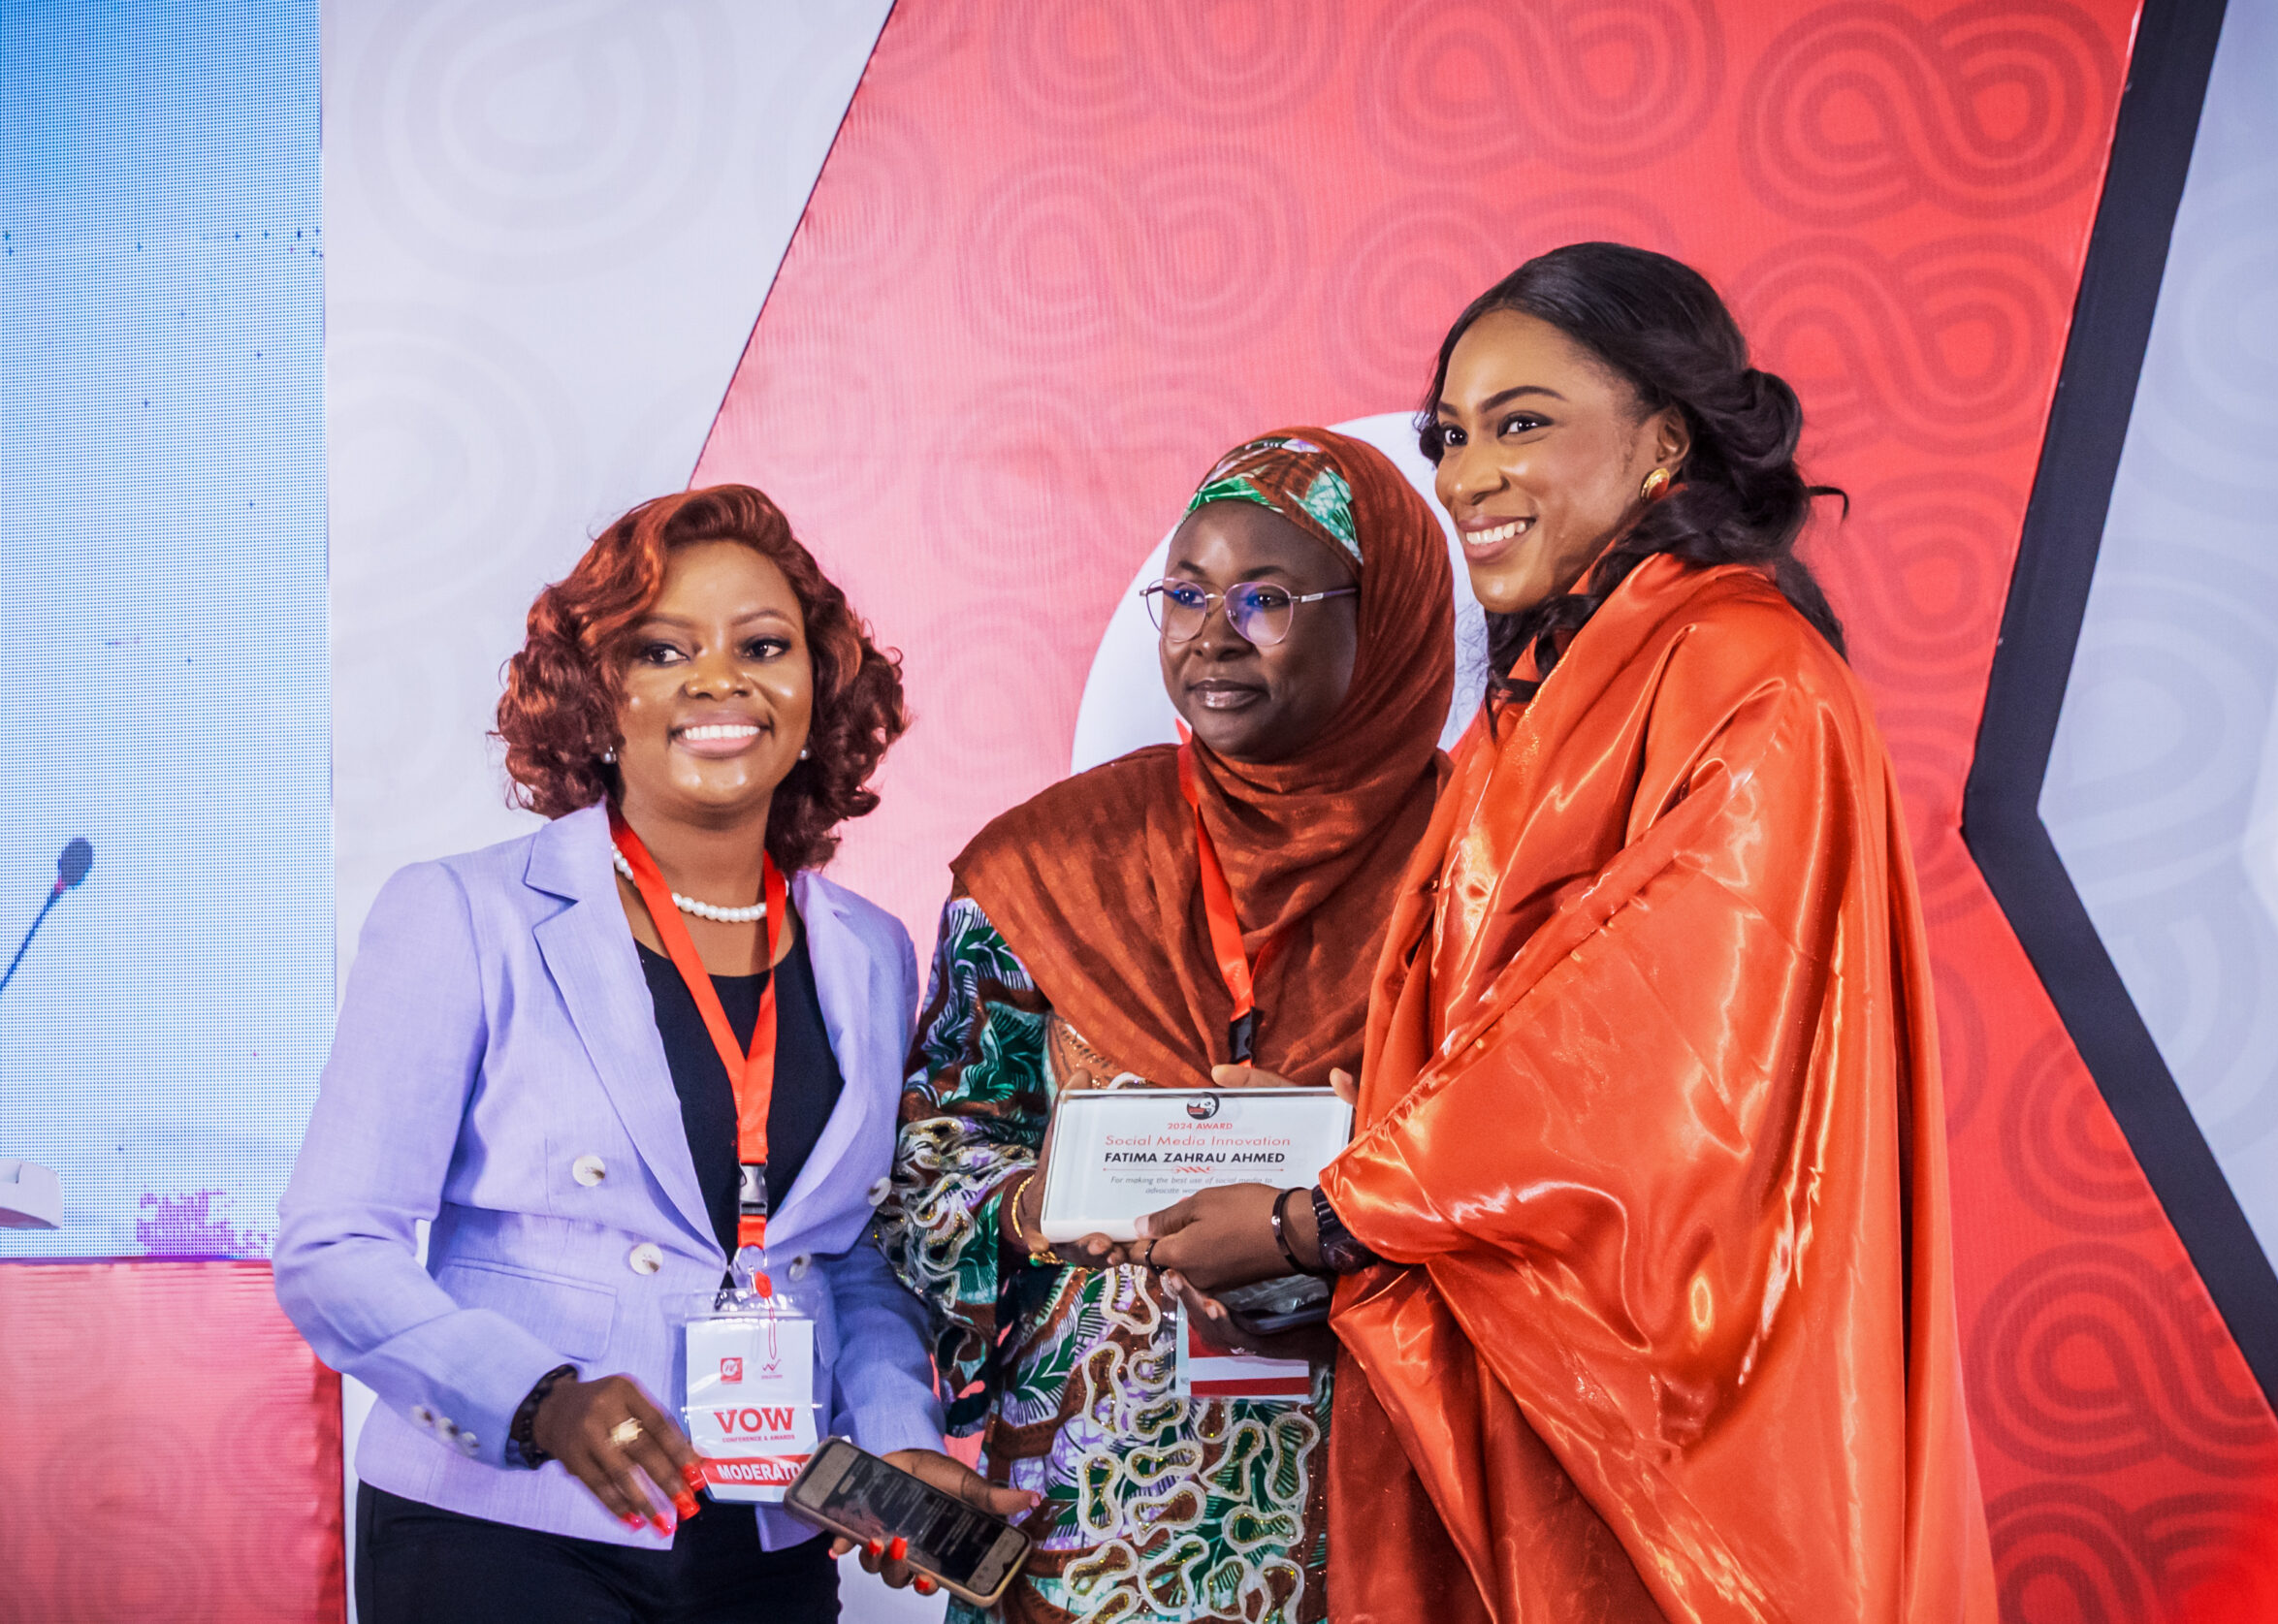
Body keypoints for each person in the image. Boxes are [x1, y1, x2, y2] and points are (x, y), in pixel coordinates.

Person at [1139, 244, 1999, 1622]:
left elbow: (1640, 1051)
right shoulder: (1551, 687)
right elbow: (1525, 1027)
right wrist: (1346, 1126)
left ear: (1666, 440)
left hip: (1685, 1416)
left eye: (1521, 422)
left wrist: (1319, 1214)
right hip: (1544, 1366)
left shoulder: (1743, 670)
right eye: (1450, 435)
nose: (1469, 474)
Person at [276, 485, 1032, 1623]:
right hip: (506, 1525)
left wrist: (895, 1442)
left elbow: (850, 1254)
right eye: (662, 649)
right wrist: (539, 1399)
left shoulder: (871, 950)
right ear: (596, 692)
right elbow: (333, 1247)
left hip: (767, 1534)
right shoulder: (463, 914)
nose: (718, 679)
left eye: (762, 646)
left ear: (817, 686)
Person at [879, 428, 1455, 1622]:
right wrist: (1047, 1204)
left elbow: (1544, 1170)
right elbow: (930, 1151)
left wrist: (1336, 1204)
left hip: (1390, 1505)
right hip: (1095, 1529)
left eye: (1265, 598)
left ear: (1387, 614)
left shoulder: (1486, 871)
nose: (1210, 636)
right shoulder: (1050, 863)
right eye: (1186, 594)